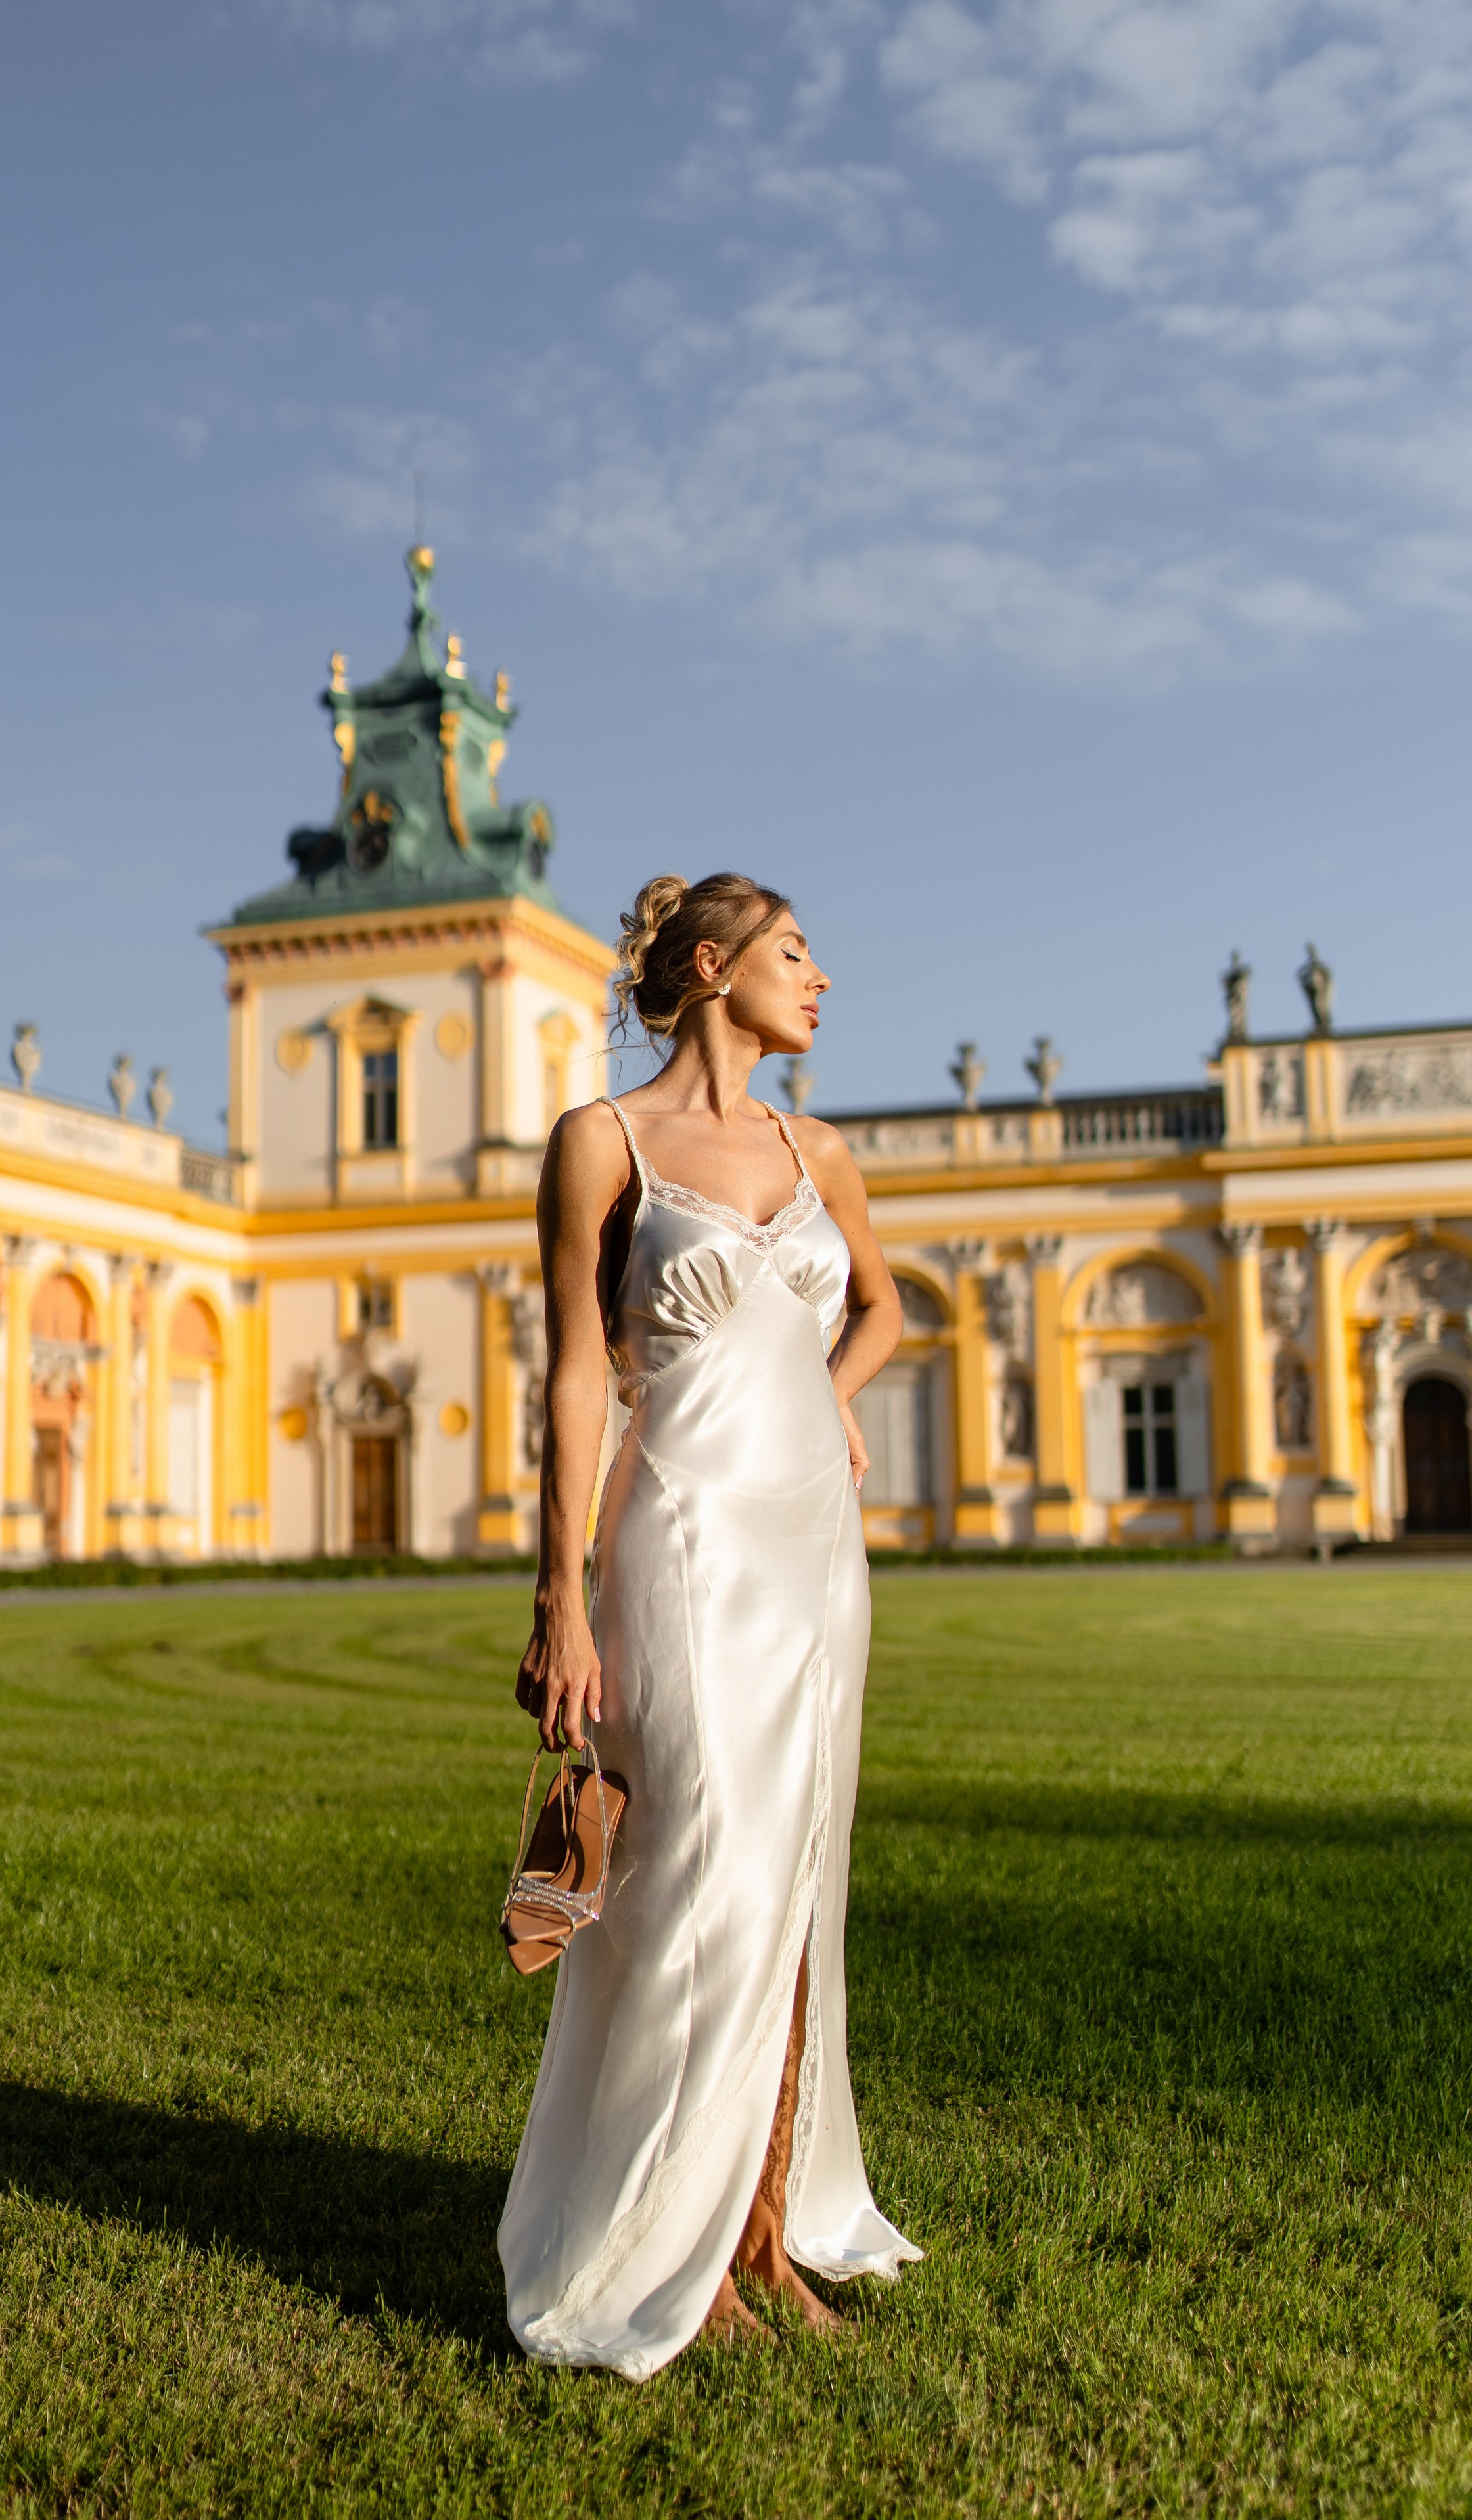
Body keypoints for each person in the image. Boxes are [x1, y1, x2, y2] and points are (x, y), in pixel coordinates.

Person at [499, 871, 921, 2380]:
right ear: (709, 967)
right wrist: (557, 1592)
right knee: (697, 1874)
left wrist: (827, 1394)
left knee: (793, 1876)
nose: (820, 979)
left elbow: (879, 1310)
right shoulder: (598, 1143)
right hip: (674, 1536)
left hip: (813, 1554)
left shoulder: (822, 1153)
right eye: (795, 952)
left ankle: (756, 2230)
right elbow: (572, 1372)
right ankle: (652, 2235)